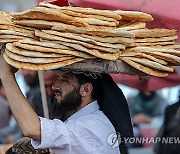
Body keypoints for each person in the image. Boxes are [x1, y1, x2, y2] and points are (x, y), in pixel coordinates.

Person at [0, 50, 133, 154]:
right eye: (58, 78)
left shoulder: (88, 127)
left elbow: (31, 128)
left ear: (86, 89)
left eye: (65, 80)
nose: (54, 86)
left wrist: (6, 75)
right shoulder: (88, 120)